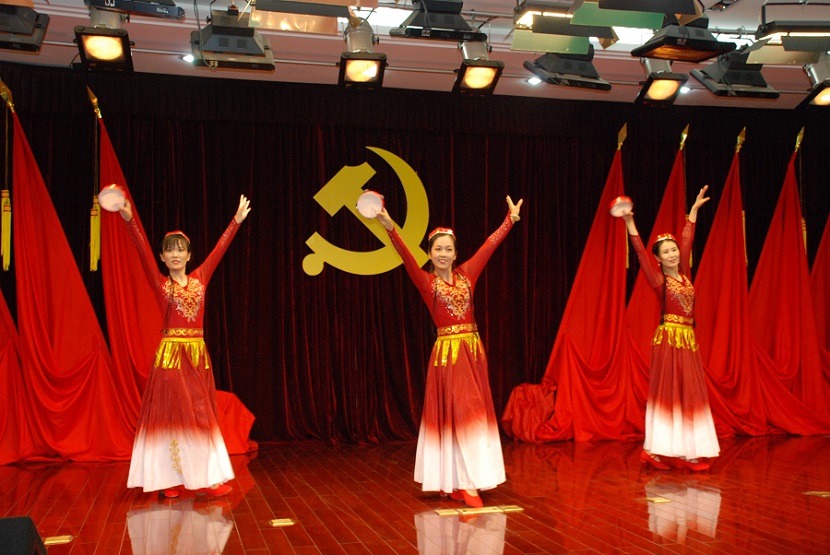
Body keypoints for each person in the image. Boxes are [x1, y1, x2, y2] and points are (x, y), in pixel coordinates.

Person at [376, 195, 523, 507]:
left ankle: (458, 481)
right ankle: (465, 483)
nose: (443, 254)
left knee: (472, 412)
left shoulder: (468, 275)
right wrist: (390, 227)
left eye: (448, 249)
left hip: (472, 353)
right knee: (460, 413)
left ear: (456, 254)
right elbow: (405, 257)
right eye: (437, 249)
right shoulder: (427, 283)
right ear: (430, 254)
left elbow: (489, 246)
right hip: (448, 356)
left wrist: (509, 221)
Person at [119, 194, 252, 498]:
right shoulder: (160, 284)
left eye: (180, 249)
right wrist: (129, 219)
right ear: (162, 257)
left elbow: (219, 251)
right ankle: (168, 479)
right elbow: (140, 249)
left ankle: (206, 478)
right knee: (170, 417)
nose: (175, 254)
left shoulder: (200, 278)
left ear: (189, 255)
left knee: (201, 415)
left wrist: (236, 222)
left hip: (196, 356)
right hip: (171, 358)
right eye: (169, 250)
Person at [621, 186, 719, 471]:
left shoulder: (685, 273)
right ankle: (661, 451)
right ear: (659, 259)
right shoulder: (658, 281)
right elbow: (640, 252)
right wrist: (630, 222)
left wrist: (693, 212)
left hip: (688, 341)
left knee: (689, 394)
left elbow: (688, 239)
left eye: (674, 249)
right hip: (669, 340)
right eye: (666, 252)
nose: (673, 254)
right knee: (670, 394)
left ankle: (685, 451)